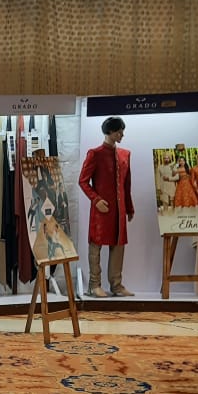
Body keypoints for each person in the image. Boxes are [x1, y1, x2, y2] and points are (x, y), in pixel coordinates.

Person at [78, 116, 134, 297]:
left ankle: (116, 285)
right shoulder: (95, 154)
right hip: (102, 209)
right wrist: (96, 200)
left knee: (119, 245)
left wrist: (129, 208)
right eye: (119, 132)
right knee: (96, 244)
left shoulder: (125, 155)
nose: (122, 135)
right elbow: (83, 181)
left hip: (120, 210)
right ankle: (94, 285)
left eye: (122, 131)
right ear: (109, 132)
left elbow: (126, 185)